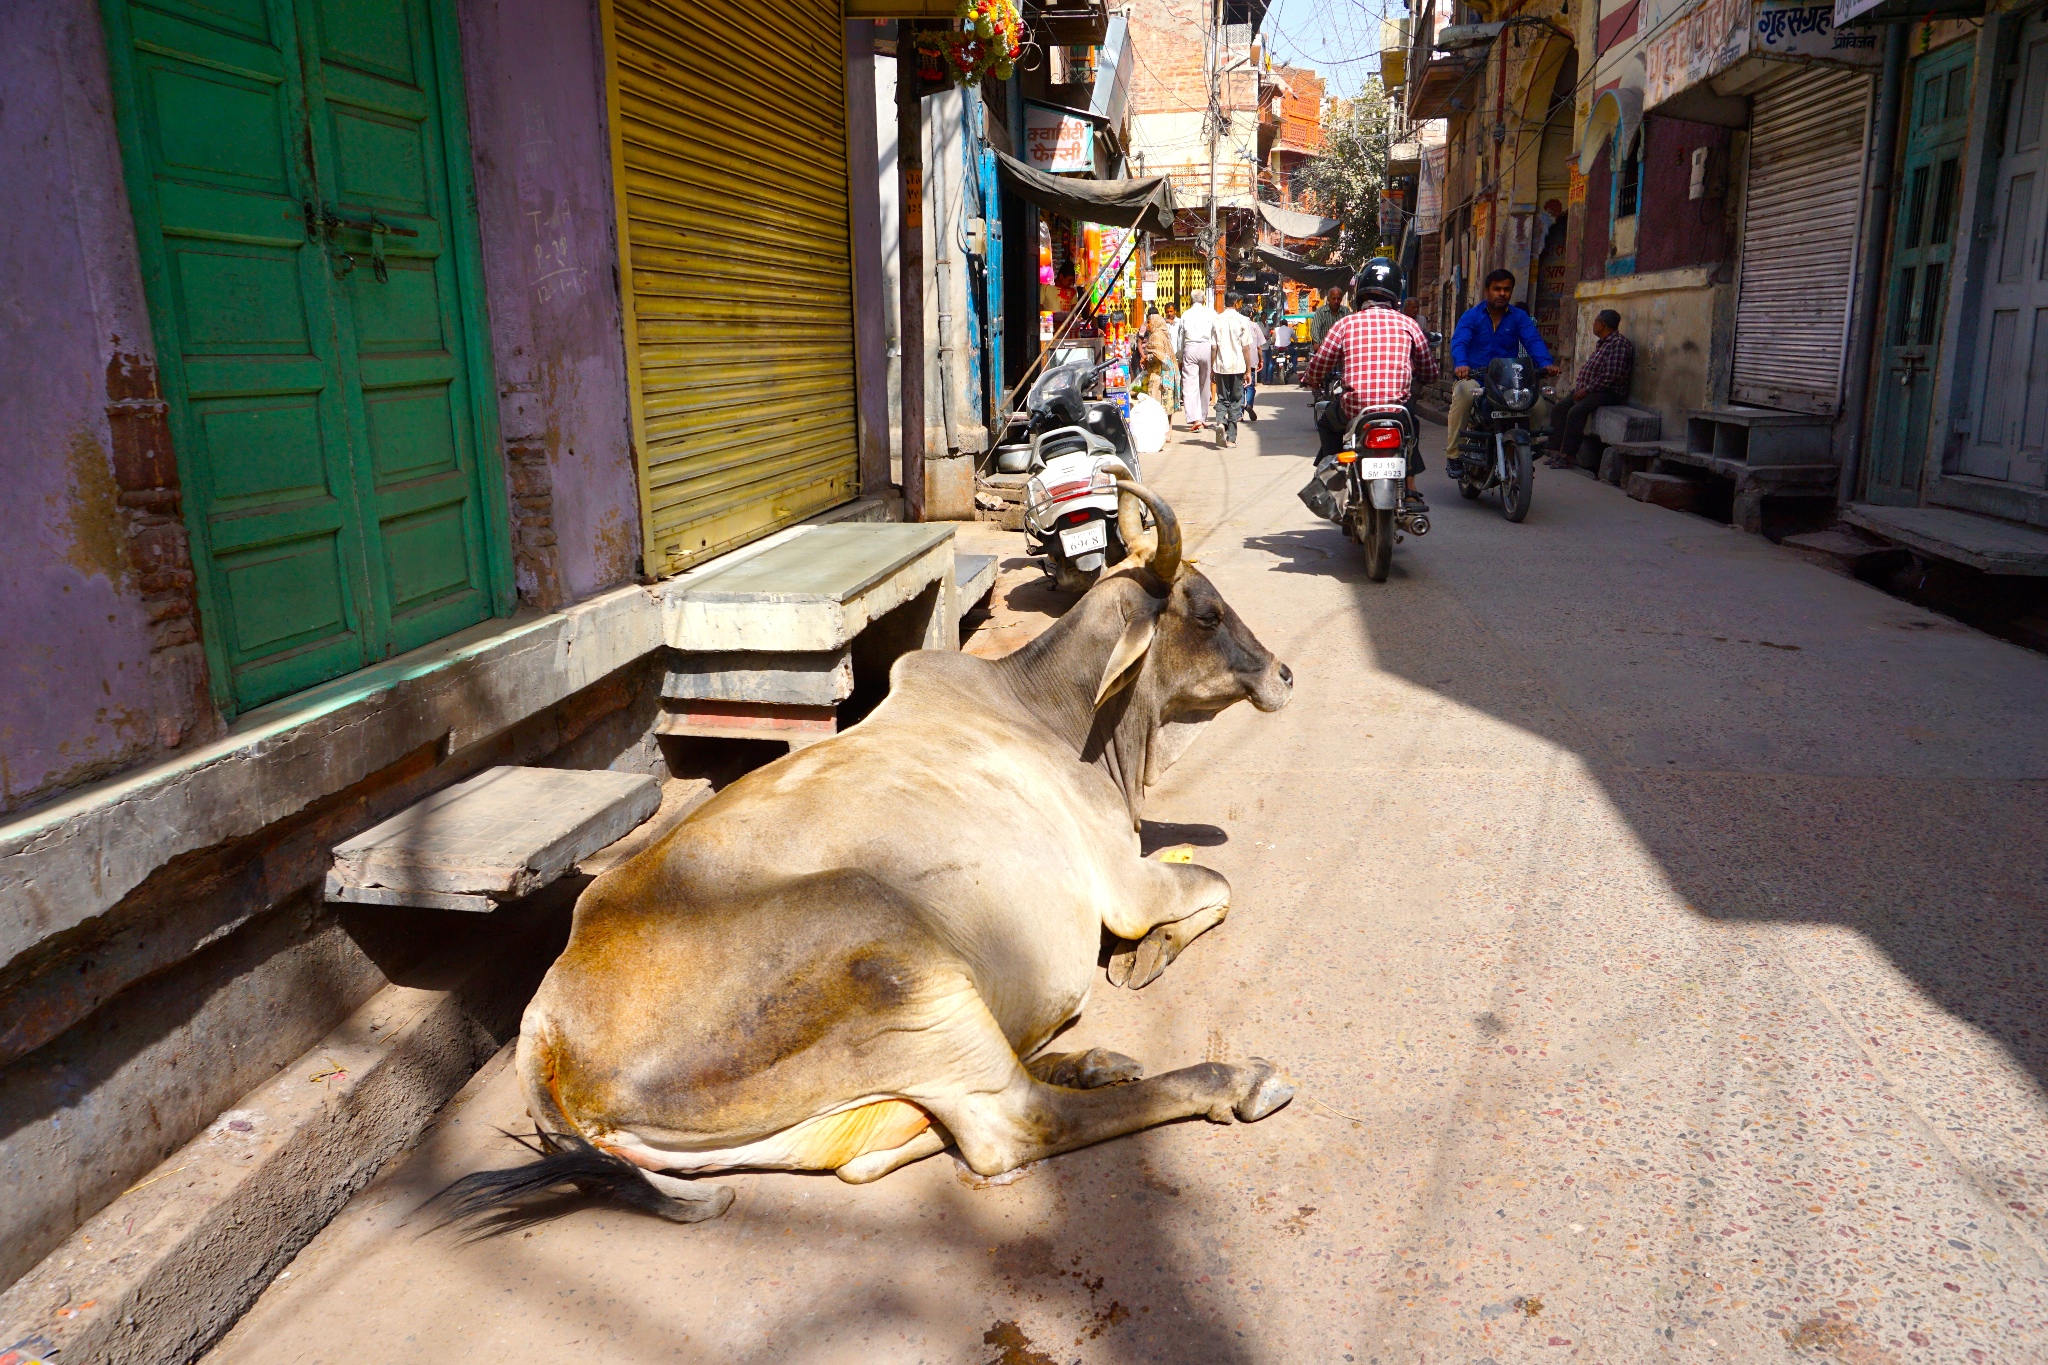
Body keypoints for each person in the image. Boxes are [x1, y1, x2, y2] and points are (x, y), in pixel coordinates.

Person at [1301, 257, 1439, 512]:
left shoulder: (1346, 323)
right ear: (1396, 296)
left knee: (1327, 424)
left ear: (1360, 295)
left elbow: (1320, 364)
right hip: (1396, 411)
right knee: (1410, 431)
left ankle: (1336, 481)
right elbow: (1430, 370)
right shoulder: (1409, 324)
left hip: (1355, 408)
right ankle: (1410, 490)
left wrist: (1309, 378)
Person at [1447, 268, 1559, 458]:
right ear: (1487, 291)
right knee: (1463, 394)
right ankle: (1454, 454)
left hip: (1508, 381)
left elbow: (1533, 341)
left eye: (1506, 289)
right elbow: (1460, 342)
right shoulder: (1472, 316)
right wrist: (1461, 364)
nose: (1502, 293)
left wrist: (1546, 363)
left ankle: (1524, 452)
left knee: (1538, 405)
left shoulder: (1519, 317)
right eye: (1497, 289)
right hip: (1477, 379)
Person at [1548, 308, 1634, 467]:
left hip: (1607, 391)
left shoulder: (1619, 344)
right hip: (1589, 389)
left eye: (1595, 321)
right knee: (1559, 409)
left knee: (1576, 412)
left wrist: (1587, 389)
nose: (1593, 324)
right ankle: (1554, 450)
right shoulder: (1603, 343)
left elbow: (1611, 375)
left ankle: (1568, 456)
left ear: (1601, 324)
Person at [1211, 293, 1258, 447]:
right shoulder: (1243, 320)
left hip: (1221, 366)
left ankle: (1220, 422)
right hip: (1238, 367)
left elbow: (1213, 347)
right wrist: (1248, 372)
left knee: (1222, 398)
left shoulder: (1216, 320)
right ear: (1237, 303)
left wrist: (1213, 367)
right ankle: (1231, 439)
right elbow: (1246, 349)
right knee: (1236, 400)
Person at [1178, 290, 1218, 432]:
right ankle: (1202, 417)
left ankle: (1195, 418)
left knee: (1190, 384)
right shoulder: (1212, 313)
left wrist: (1180, 355)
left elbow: (1180, 338)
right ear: (1204, 299)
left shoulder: (1185, 314)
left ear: (1191, 300)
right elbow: (1215, 335)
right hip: (1207, 347)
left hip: (1190, 347)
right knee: (1205, 383)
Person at [1140, 308, 1176, 407]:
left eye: (1149, 323)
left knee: (1156, 403)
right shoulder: (1163, 334)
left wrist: (1146, 358)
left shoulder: (1156, 335)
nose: (1147, 325)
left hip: (1158, 374)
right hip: (1166, 374)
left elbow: (1157, 356)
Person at [1267, 315, 1296, 382]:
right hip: (1287, 348)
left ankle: (1268, 380)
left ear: (1280, 324)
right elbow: (1295, 339)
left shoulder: (1276, 329)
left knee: (1271, 362)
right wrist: (1294, 342)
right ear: (1287, 324)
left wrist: (1273, 342)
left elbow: (1273, 339)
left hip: (1277, 348)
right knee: (1295, 354)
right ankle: (1293, 367)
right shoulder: (1290, 329)